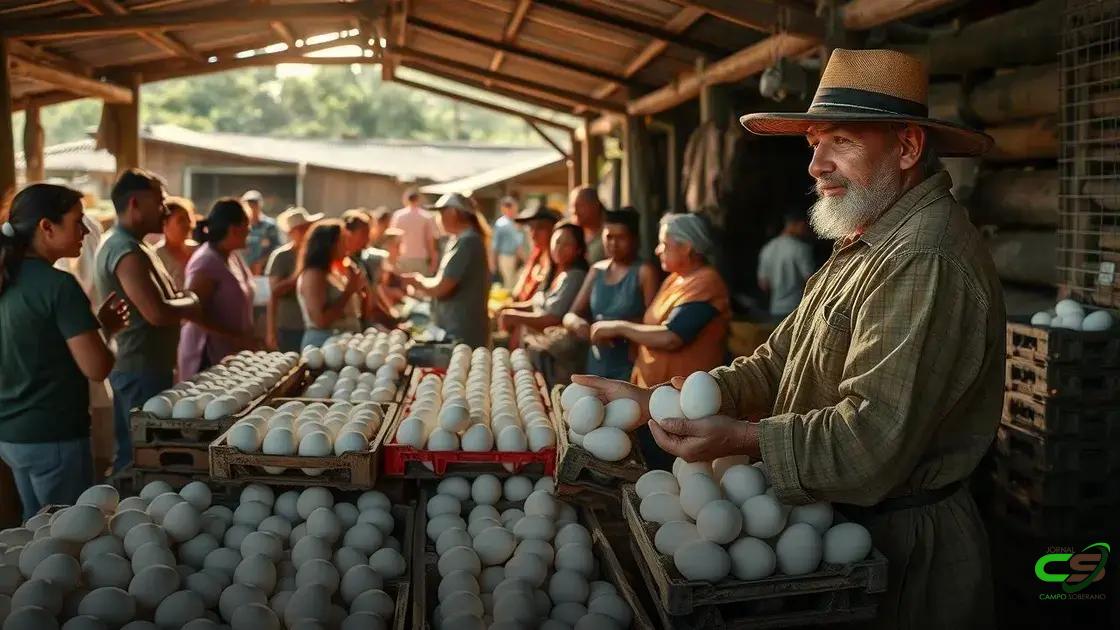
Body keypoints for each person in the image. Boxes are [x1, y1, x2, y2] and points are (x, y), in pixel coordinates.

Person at [574, 49, 1003, 630]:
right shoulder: (865, 240)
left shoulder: (922, 258)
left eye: (841, 142)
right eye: (814, 143)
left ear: (906, 148)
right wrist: (663, 399)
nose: (815, 165)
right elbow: (778, 363)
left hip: (901, 552)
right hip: (841, 529)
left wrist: (741, 438)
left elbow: (870, 441)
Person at [0, 183, 130, 519]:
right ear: (46, 226)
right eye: (77, 221)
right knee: (65, 537)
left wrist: (93, 327)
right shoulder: (59, 286)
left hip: (12, 435)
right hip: (53, 436)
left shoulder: (8, 279)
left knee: (35, 531)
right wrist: (108, 333)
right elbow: (97, 367)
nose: (86, 230)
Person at [95, 168, 201, 474]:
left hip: (146, 367)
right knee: (139, 456)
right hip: (140, 369)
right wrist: (191, 302)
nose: (165, 209)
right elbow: (156, 313)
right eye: (159, 201)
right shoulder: (125, 250)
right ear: (134, 204)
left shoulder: (134, 245)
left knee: (143, 450)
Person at [591, 212, 730, 388]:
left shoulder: (706, 282)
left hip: (684, 396)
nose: (658, 250)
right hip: (654, 389)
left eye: (664, 244)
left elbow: (672, 337)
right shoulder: (674, 279)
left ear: (686, 247)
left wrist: (620, 328)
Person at [563, 208, 659, 380]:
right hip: (597, 360)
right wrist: (578, 324)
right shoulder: (596, 270)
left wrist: (616, 328)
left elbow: (652, 322)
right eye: (609, 237)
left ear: (635, 239)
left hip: (631, 361)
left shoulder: (645, 272)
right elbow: (570, 315)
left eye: (621, 237)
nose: (613, 243)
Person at [178, 199, 258, 380]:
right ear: (234, 229)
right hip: (207, 356)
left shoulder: (232, 256)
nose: (250, 230)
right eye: (247, 225)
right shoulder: (206, 262)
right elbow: (191, 313)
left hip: (230, 355)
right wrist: (233, 336)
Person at [400, 193, 491, 348]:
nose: (438, 218)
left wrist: (418, 282)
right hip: (457, 327)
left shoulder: (467, 242)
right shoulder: (460, 239)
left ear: (453, 213)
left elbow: (441, 288)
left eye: (441, 213)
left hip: (462, 332)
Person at [497, 221, 589, 348]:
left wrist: (516, 317)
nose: (559, 248)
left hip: (551, 344)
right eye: (557, 242)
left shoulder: (575, 276)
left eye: (567, 244)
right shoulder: (553, 272)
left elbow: (553, 319)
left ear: (578, 250)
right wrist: (511, 308)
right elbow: (535, 303)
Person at [297, 220, 365, 348]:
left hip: (341, 344)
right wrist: (348, 292)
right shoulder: (314, 275)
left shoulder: (335, 271)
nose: (347, 246)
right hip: (322, 346)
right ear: (329, 244)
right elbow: (320, 321)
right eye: (343, 241)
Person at [265, 207, 322, 352]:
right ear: (293, 232)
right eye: (303, 228)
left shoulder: (315, 256)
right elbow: (274, 293)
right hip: (289, 326)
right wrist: (271, 331)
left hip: (313, 326)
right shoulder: (281, 257)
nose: (309, 231)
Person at [342, 209, 396, 327]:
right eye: (363, 235)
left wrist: (394, 322)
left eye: (368, 235)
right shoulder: (340, 264)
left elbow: (373, 299)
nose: (367, 240)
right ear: (348, 233)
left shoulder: (360, 262)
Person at [511, 201, 561, 302]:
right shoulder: (536, 255)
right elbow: (517, 291)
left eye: (540, 228)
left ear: (553, 229)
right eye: (531, 228)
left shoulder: (558, 261)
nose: (533, 234)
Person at [391, 188, 440, 275]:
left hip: (403, 258)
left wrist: (392, 261)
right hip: (421, 258)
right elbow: (431, 241)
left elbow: (394, 241)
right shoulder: (426, 216)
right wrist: (433, 262)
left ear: (406, 200)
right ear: (418, 199)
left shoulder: (398, 216)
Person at [154, 196, 197, 289]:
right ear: (165, 223)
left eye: (188, 219)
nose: (187, 224)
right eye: (181, 220)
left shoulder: (198, 251)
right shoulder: (156, 256)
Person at [242, 189, 282, 275]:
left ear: (260, 205)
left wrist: (261, 263)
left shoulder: (269, 226)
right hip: (244, 271)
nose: (251, 207)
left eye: (254, 204)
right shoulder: (240, 226)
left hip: (263, 271)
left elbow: (276, 247)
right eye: (249, 204)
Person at [490, 196, 526, 289]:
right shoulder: (501, 223)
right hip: (506, 256)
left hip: (518, 257)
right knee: (509, 282)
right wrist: (493, 262)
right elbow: (495, 244)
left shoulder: (516, 222)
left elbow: (520, 241)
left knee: (517, 281)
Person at [570, 186, 607, 263]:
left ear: (595, 205)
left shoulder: (610, 234)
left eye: (580, 206)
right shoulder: (571, 233)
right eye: (572, 206)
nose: (575, 211)